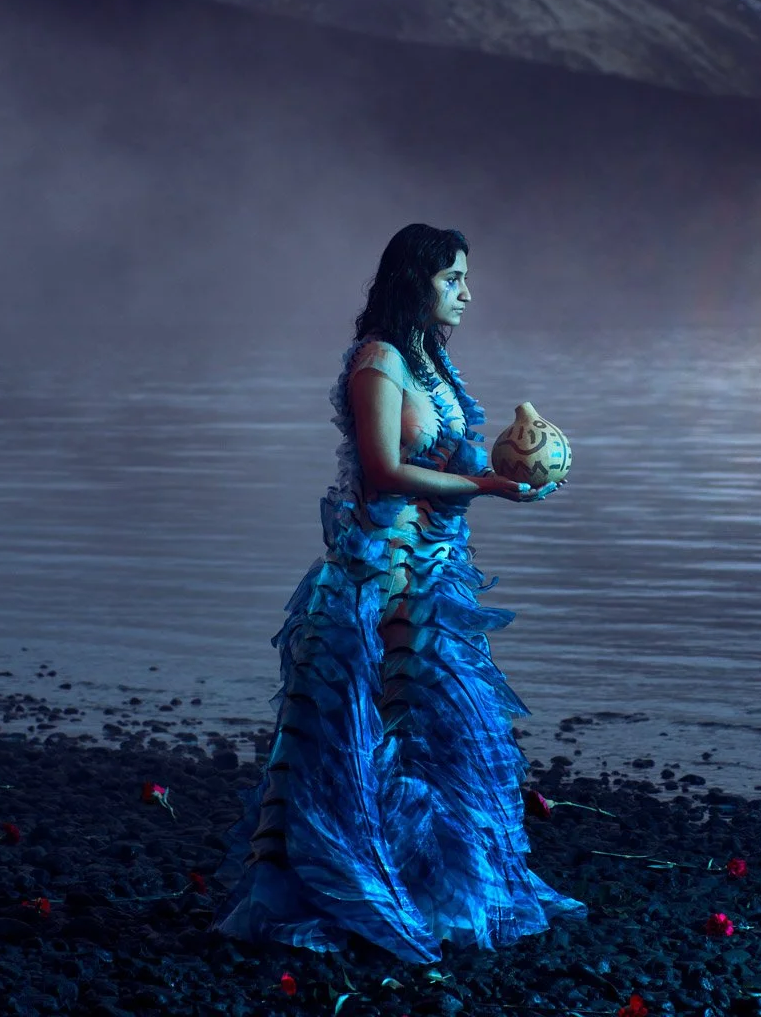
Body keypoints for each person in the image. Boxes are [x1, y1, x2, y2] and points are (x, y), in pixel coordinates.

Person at [212, 223, 586, 964]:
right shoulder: (376, 361)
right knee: (356, 742)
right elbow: (383, 471)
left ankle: (429, 884)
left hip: (431, 581)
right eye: (453, 280)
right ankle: (349, 888)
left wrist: (518, 477)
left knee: (439, 736)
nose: (467, 294)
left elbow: (456, 457)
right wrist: (483, 484)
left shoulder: (433, 364)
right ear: (415, 280)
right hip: (370, 585)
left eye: (466, 279)